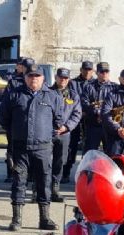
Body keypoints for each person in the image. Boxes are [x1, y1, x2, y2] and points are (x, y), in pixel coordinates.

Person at [0, 63, 63, 231]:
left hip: (43, 148)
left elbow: (58, 120)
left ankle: (44, 218)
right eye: (30, 76)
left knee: (44, 182)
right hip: (20, 148)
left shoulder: (53, 96)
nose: (33, 79)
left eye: (37, 76)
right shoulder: (14, 95)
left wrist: (47, 137)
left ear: (43, 78)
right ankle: (16, 219)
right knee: (19, 182)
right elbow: (4, 119)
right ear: (25, 78)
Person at [50, 67, 82, 202]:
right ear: (56, 78)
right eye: (60, 77)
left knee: (59, 161)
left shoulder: (73, 95)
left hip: (64, 133)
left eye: (65, 78)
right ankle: (37, 189)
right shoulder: (47, 92)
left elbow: (77, 114)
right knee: (42, 162)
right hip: (47, 132)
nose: (63, 80)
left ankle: (54, 189)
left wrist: (67, 127)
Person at [61, 61, 95, 183]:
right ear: (81, 70)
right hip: (75, 118)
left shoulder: (96, 84)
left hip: (91, 119)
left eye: (89, 69)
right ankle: (66, 172)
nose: (87, 72)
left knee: (90, 147)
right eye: (85, 69)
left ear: (93, 71)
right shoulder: (73, 83)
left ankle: (87, 173)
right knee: (71, 146)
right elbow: (68, 98)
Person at [2, 57, 33, 183]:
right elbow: (6, 102)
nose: (26, 68)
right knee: (12, 148)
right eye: (23, 66)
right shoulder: (12, 80)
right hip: (15, 122)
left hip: (30, 121)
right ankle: (11, 173)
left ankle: (29, 174)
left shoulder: (35, 79)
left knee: (31, 149)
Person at [80, 61, 116, 152]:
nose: (104, 74)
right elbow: (84, 103)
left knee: (110, 154)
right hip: (93, 125)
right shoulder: (88, 87)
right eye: (102, 72)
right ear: (97, 73)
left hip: (109, 126)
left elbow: (118, 105)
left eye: (106, 72)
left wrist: (104, 115)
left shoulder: (115, 87)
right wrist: (97, 113)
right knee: (90, 153)